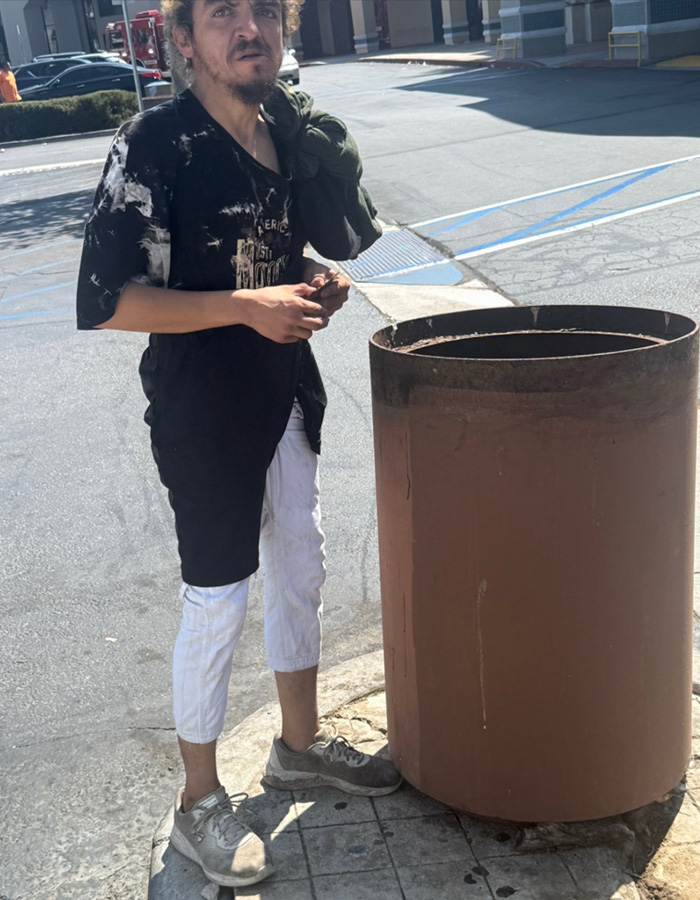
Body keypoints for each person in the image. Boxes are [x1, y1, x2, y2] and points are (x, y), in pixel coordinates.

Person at [76, 0, 401, 890]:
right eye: (222, 13)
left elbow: (270, 262)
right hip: (202, 408)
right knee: (217, 599)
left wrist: (307, 285)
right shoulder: (157, 145)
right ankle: (197, 803)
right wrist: (243, 308)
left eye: (265, 10)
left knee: (303, 565)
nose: (248, 28)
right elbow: (106, 301)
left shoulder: (282, 135)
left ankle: (299, 748)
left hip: (285, 393)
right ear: (185, 41)